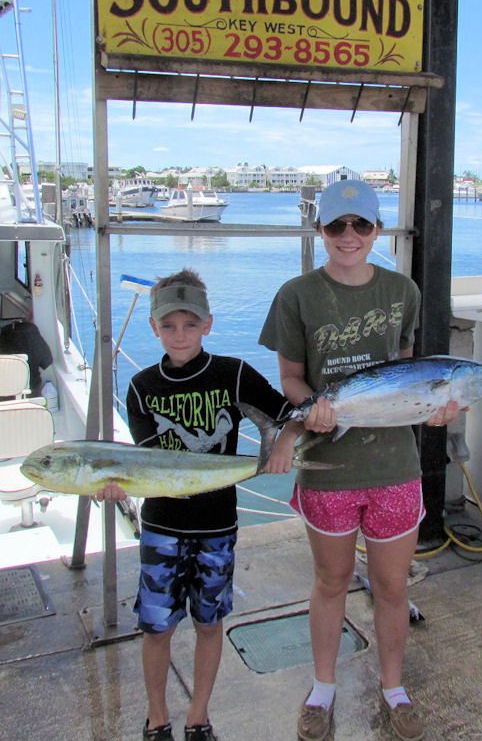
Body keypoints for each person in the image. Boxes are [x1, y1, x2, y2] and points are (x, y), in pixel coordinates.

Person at [259, 179, 462, 741]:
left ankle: (394, 688)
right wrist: (310, 410)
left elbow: (404, 369)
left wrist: (434, 408)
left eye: (361, 226)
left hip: (396, 466)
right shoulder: (296, 295)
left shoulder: (404, 291)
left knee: (393, 588)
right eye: (336, 226)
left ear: (377, 230)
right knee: (331, 580)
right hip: (329, 467)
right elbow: (293, 378)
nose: (349, 237)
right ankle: (322, 689)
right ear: (319, 230)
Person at [98, 268, 293, 741]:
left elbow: (288, 416)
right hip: (162, 525)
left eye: (190, 324)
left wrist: (283, 443)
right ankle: (157, 717)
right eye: (169, 326)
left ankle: (198, 716)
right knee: (156, 628)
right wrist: (116, 484)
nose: (179, 335)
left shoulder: (234, 373)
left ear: (208, 324)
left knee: (210, 624)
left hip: (218, 524)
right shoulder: (142, 386)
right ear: (154, 328)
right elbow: (149, 465)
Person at [0, 314, 53, 397]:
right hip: (30, 393)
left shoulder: (3, 336)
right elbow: (47, 361)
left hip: (4, 397)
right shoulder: (31, 331)